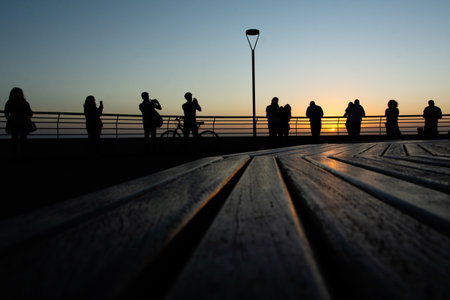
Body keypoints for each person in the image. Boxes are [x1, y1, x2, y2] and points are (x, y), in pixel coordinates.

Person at [4, 87, 33, 158]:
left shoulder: (9, 102)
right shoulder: (24, 103)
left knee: (14, 140)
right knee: (23, 140)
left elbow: (6, 114)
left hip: (13, 124)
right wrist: (25, 117)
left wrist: (10, 119)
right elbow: (30, 113)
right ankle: (23, 155)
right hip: (24, 124)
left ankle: (14, 156)